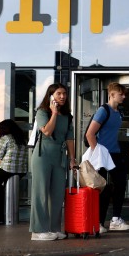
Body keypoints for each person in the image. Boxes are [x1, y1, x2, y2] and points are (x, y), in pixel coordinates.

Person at [29, 84, 76, 241]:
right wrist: (54, 113)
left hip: (59, 156)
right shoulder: (42, 112)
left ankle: (54, 229)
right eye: (58, 94)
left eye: (64, 94)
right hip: (43, 155)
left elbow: (70, 138)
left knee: (57, 195)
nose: (62, 96)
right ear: (51, 96)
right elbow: (47, 131)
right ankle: (38, 230)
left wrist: (72, 159)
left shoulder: (68, 116)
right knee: (41, 192)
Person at [86, 81, 129, 232]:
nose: (123, 96)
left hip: (115, 153)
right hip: (103, 155)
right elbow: (89, 134)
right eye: (121, 94)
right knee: (103, 189)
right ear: (112, 94)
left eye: (124, 94)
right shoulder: (103, 110)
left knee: (120, 185)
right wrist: (98, 153)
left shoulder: (118, 112)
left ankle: (115, 220)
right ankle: (98, 223)